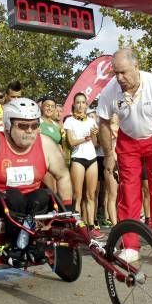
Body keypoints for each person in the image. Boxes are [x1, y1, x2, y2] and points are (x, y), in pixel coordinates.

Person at [0, 98, 73, 267]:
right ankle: (14, 246)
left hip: (33, 201)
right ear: (9, 125)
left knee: (42, 195)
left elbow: (63, 176)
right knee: (15, 197)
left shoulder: (46, 145)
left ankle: (32, 244)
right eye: (23, 126)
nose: (30, 131)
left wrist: (66, 209)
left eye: (34, 125)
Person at [97, 49, 152, 264]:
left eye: (123, 72)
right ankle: (130, 246)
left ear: (136, 66)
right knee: (128, 193)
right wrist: (108, 155)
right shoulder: (110, 91)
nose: (119, 78)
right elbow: (104, 123)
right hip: (128, 142)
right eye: (115, 73)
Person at [63, 93, 101, 239]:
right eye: (78, 102)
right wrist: (87, 138)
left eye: (83, 102)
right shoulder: (69, 121)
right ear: (74, 104)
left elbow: (96, 144)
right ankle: (78, 227)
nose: (80, 105)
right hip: (78, 158)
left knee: (90, 195)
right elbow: (71, 142)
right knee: (77, 195)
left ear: (86, 105)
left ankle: (91, 226)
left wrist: (94, 135)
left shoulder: (91, 121)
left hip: (92, 157)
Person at [38, 97, 63, 191]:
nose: (50, 108)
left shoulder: (56, 125)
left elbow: (60, 144)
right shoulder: (37, 122)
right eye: (47, 106)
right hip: (44, 161)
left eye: (52, 106)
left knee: (58, 192)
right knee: (51, 191)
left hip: (57, 162)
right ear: (42, 107)